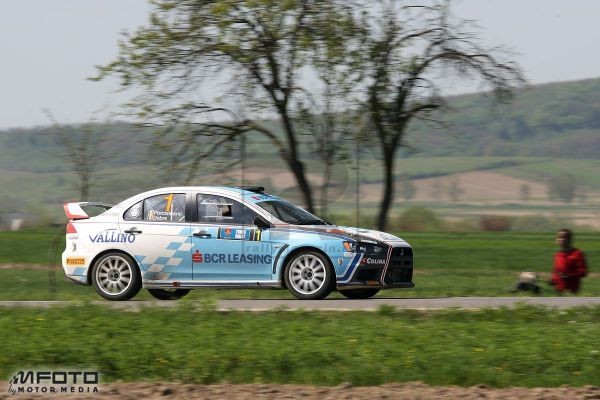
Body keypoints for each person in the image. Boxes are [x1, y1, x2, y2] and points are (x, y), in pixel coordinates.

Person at [550, 229, 588, 294]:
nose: (561, 239)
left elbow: (583, 272)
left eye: (564, 237)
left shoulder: (577, 253)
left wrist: (570, 276)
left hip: (572, 291)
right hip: (559, 291)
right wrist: (553, 280)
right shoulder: (557, 254)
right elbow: (556, 271)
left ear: (570, 239)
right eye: (559, 237)